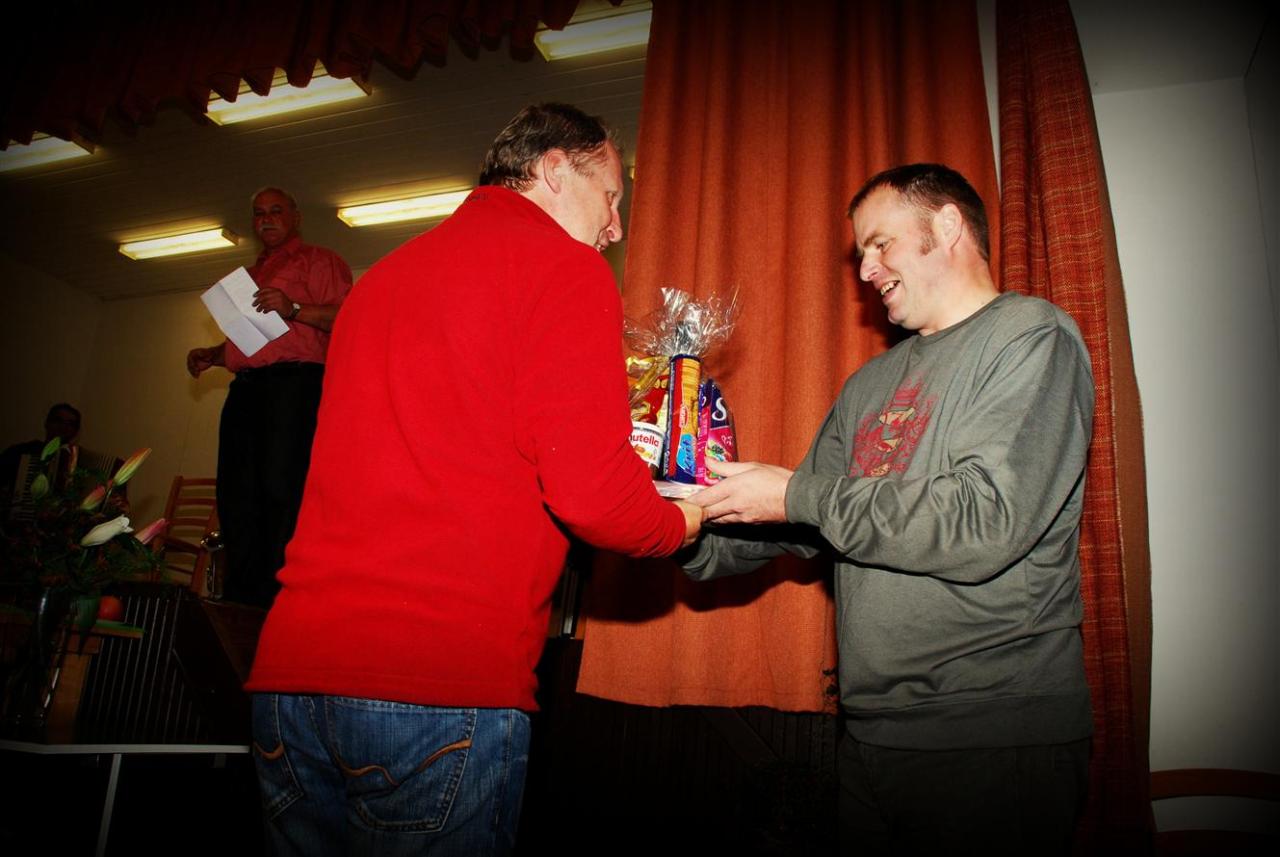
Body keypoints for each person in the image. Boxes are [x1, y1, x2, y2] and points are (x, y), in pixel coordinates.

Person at [245, 103, 703, 856]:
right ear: (553, 169)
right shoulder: (565, 267)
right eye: (611, 196)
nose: (615, 227)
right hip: (436, 682)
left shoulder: (378, 284)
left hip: (290, 678)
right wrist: (685, 521)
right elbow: (594, 496)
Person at [685, 164, 1094, 855]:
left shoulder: (1032, 337)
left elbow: (985, 519)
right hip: (870, 737)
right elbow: (804, 523)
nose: (866, 270)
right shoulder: (869, 383)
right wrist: (682, 523)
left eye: (880, 244)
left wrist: (793, 493)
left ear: (948, 226)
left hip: (991, 736)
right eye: (861, 253)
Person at [186, 187, 352, 608]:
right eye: (259, 213)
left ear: (296, 216)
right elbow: (255, 342)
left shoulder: (320, 260)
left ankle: (280, 601)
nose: (266, 219)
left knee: (282, 489)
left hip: (294, 386)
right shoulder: (248, 276)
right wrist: (215, 355)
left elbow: (349, 319)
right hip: (246, 389)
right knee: (236, 493)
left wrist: (293, 307)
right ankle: (241, 601)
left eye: (276, 211)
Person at [0, 403, 81, 517]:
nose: (63, 427)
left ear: (75, 432)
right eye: (58, 420)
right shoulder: (20, 451)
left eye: (70, 424)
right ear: (47, 423)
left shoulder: (79, 461)